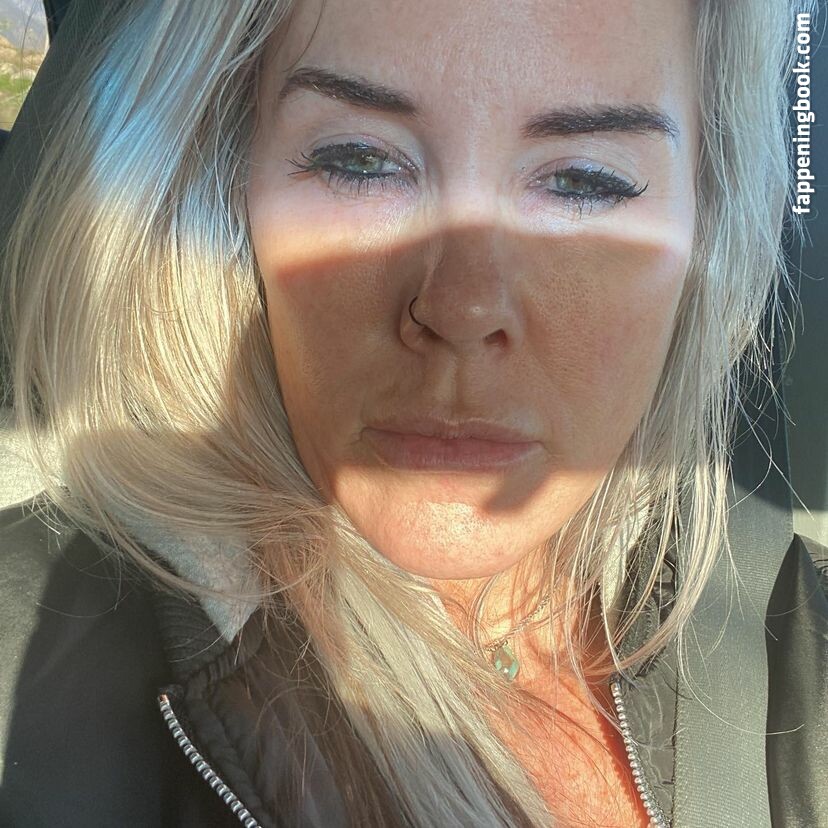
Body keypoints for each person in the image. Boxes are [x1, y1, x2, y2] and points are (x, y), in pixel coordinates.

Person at [0, 0, 825, 826]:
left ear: (709, 220)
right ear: (229, 184)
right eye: (359, 161)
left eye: (585, 180)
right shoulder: (35, 668)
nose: (460, 308)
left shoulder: (784, 626)